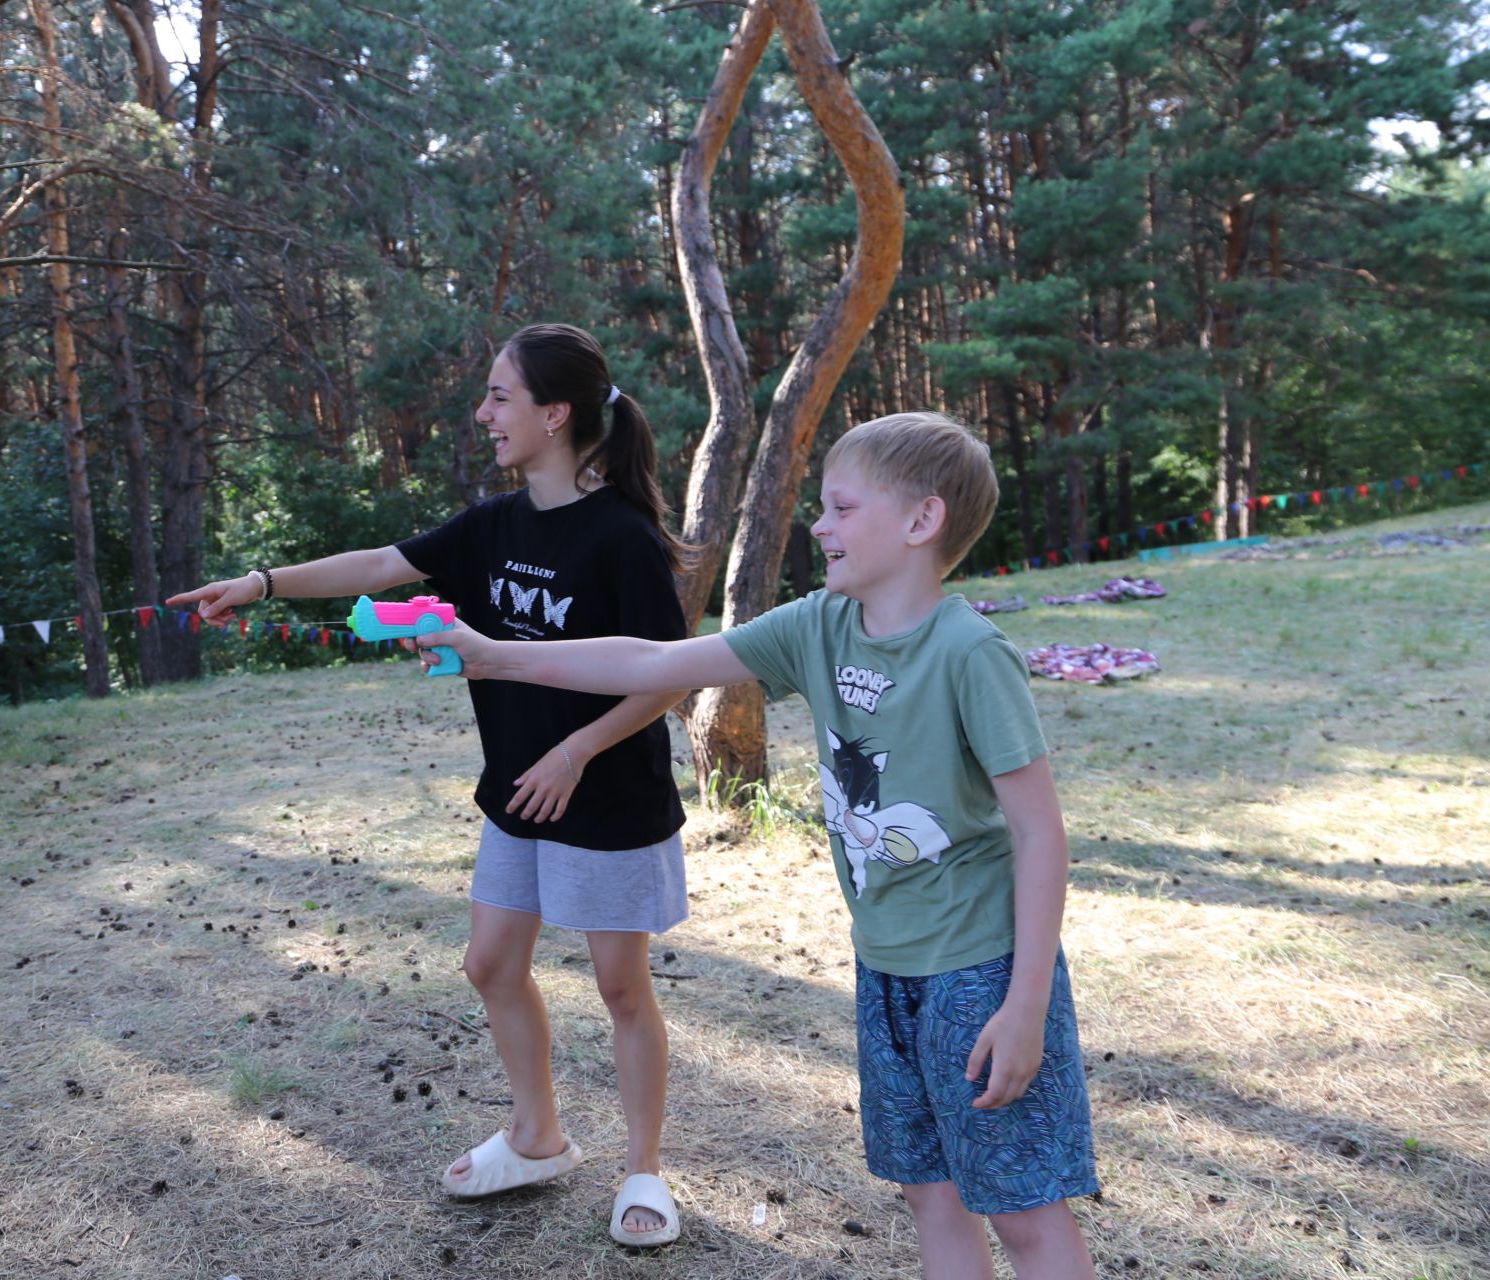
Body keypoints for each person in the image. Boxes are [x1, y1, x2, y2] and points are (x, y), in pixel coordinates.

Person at [419, 411, 1101, 1280]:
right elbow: (649, 662)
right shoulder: (819, 626)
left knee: (1023, 1207)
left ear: (921, 521)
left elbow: (1040, 831)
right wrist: (499, 657)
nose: (818, 525)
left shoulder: (970, 653)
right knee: (930, 1192)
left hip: (980, 973)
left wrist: (1026, 1004)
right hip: (885, 966)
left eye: (842, 508)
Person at [168, 324, 695, 1247]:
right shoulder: (492, 525)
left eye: (499, 396)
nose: (483, 413)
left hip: (606, 802)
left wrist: (577, 751)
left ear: (554, 413)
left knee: (620, 988)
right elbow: (379, 567)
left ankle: (644, 1171)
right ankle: (538, 1137)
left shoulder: (623, 539)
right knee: (491, 964)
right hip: (515, 797)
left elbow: (671, 675)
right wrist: (258, 582)